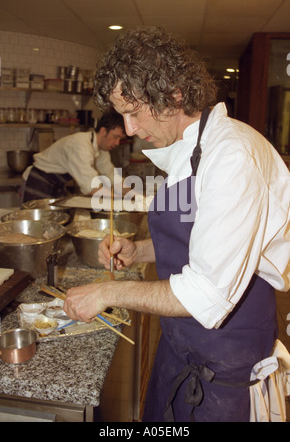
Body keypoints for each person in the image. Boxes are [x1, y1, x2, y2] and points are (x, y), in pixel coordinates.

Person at [63, 27, 290, 422]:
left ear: (173, 94)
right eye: (122, 116)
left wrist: (107, 293)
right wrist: (141, 250)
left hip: (225, 364)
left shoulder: (232, 156)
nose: (129, 129)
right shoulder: (188, 150)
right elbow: (202, 241)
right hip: (181, 347)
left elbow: (206, 293)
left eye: (134, 112)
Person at [21, 110, 125, 203]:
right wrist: (120, 200)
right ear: (103, 131)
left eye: (120, 139)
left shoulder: (101, 150)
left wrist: (135, 196)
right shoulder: (81, 145)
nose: (117, 143)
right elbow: (91, 187)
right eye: (115, 137)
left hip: (56, 185)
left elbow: (113, 177)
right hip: (38, 181)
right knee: (36, 223)